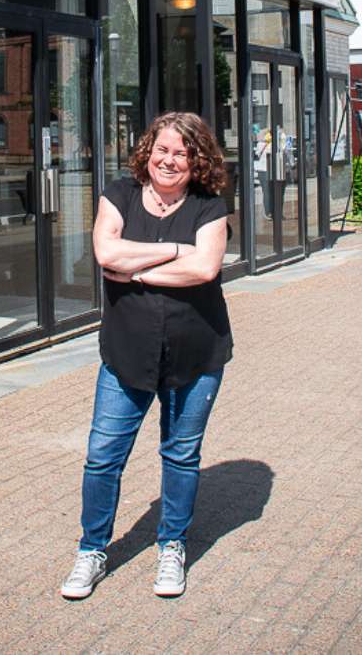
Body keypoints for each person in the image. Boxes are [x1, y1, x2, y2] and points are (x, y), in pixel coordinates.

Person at [61, 112, 233, 601]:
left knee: (180, 456)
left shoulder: (209, 204)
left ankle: (171, 547)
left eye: (182, 152)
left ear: (196, 159)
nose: (170, 160)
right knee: (102, 457)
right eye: (163, 150)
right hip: (127, 353)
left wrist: (138, 270)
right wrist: (177, 252)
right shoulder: (119, 193)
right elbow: (106, 254)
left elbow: (204, 269)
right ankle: (92, 549)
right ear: (148, 151)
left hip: (195, 354)